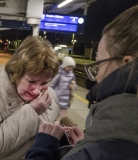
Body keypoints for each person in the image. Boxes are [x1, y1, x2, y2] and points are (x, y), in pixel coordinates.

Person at [25, 5, 138, 160]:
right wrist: (85, 146)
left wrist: (43, 145)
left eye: (99, 63)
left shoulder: (106, 148)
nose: (97, 77)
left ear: (126, 66)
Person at [0, 36, 60, 160]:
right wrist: (32, 111)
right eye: (31, 81)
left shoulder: (51, 94)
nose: (37, 90)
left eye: (44, 83)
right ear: (16, 72)